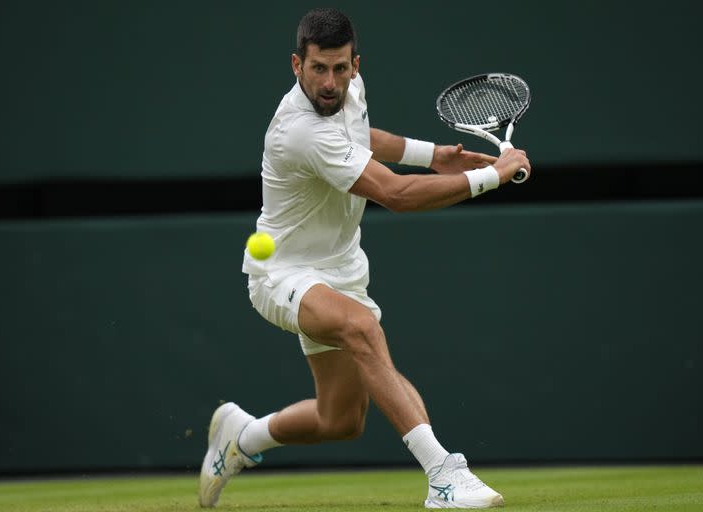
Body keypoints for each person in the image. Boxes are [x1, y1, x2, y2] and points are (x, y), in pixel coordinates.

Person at [199, 7, 530, 510]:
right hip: (281, 273)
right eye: (317, 69)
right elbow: (394, 194)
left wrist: (433, 155)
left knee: (340, 420)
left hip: (342, 269)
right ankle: (444, 474)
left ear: (356, 64)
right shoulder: (299, 130)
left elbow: (363, 136)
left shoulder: (349, 92)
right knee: (361, 330)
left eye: (340, 68)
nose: (330, 82)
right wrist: (494, 176)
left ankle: (242, 437)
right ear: (296, 65)